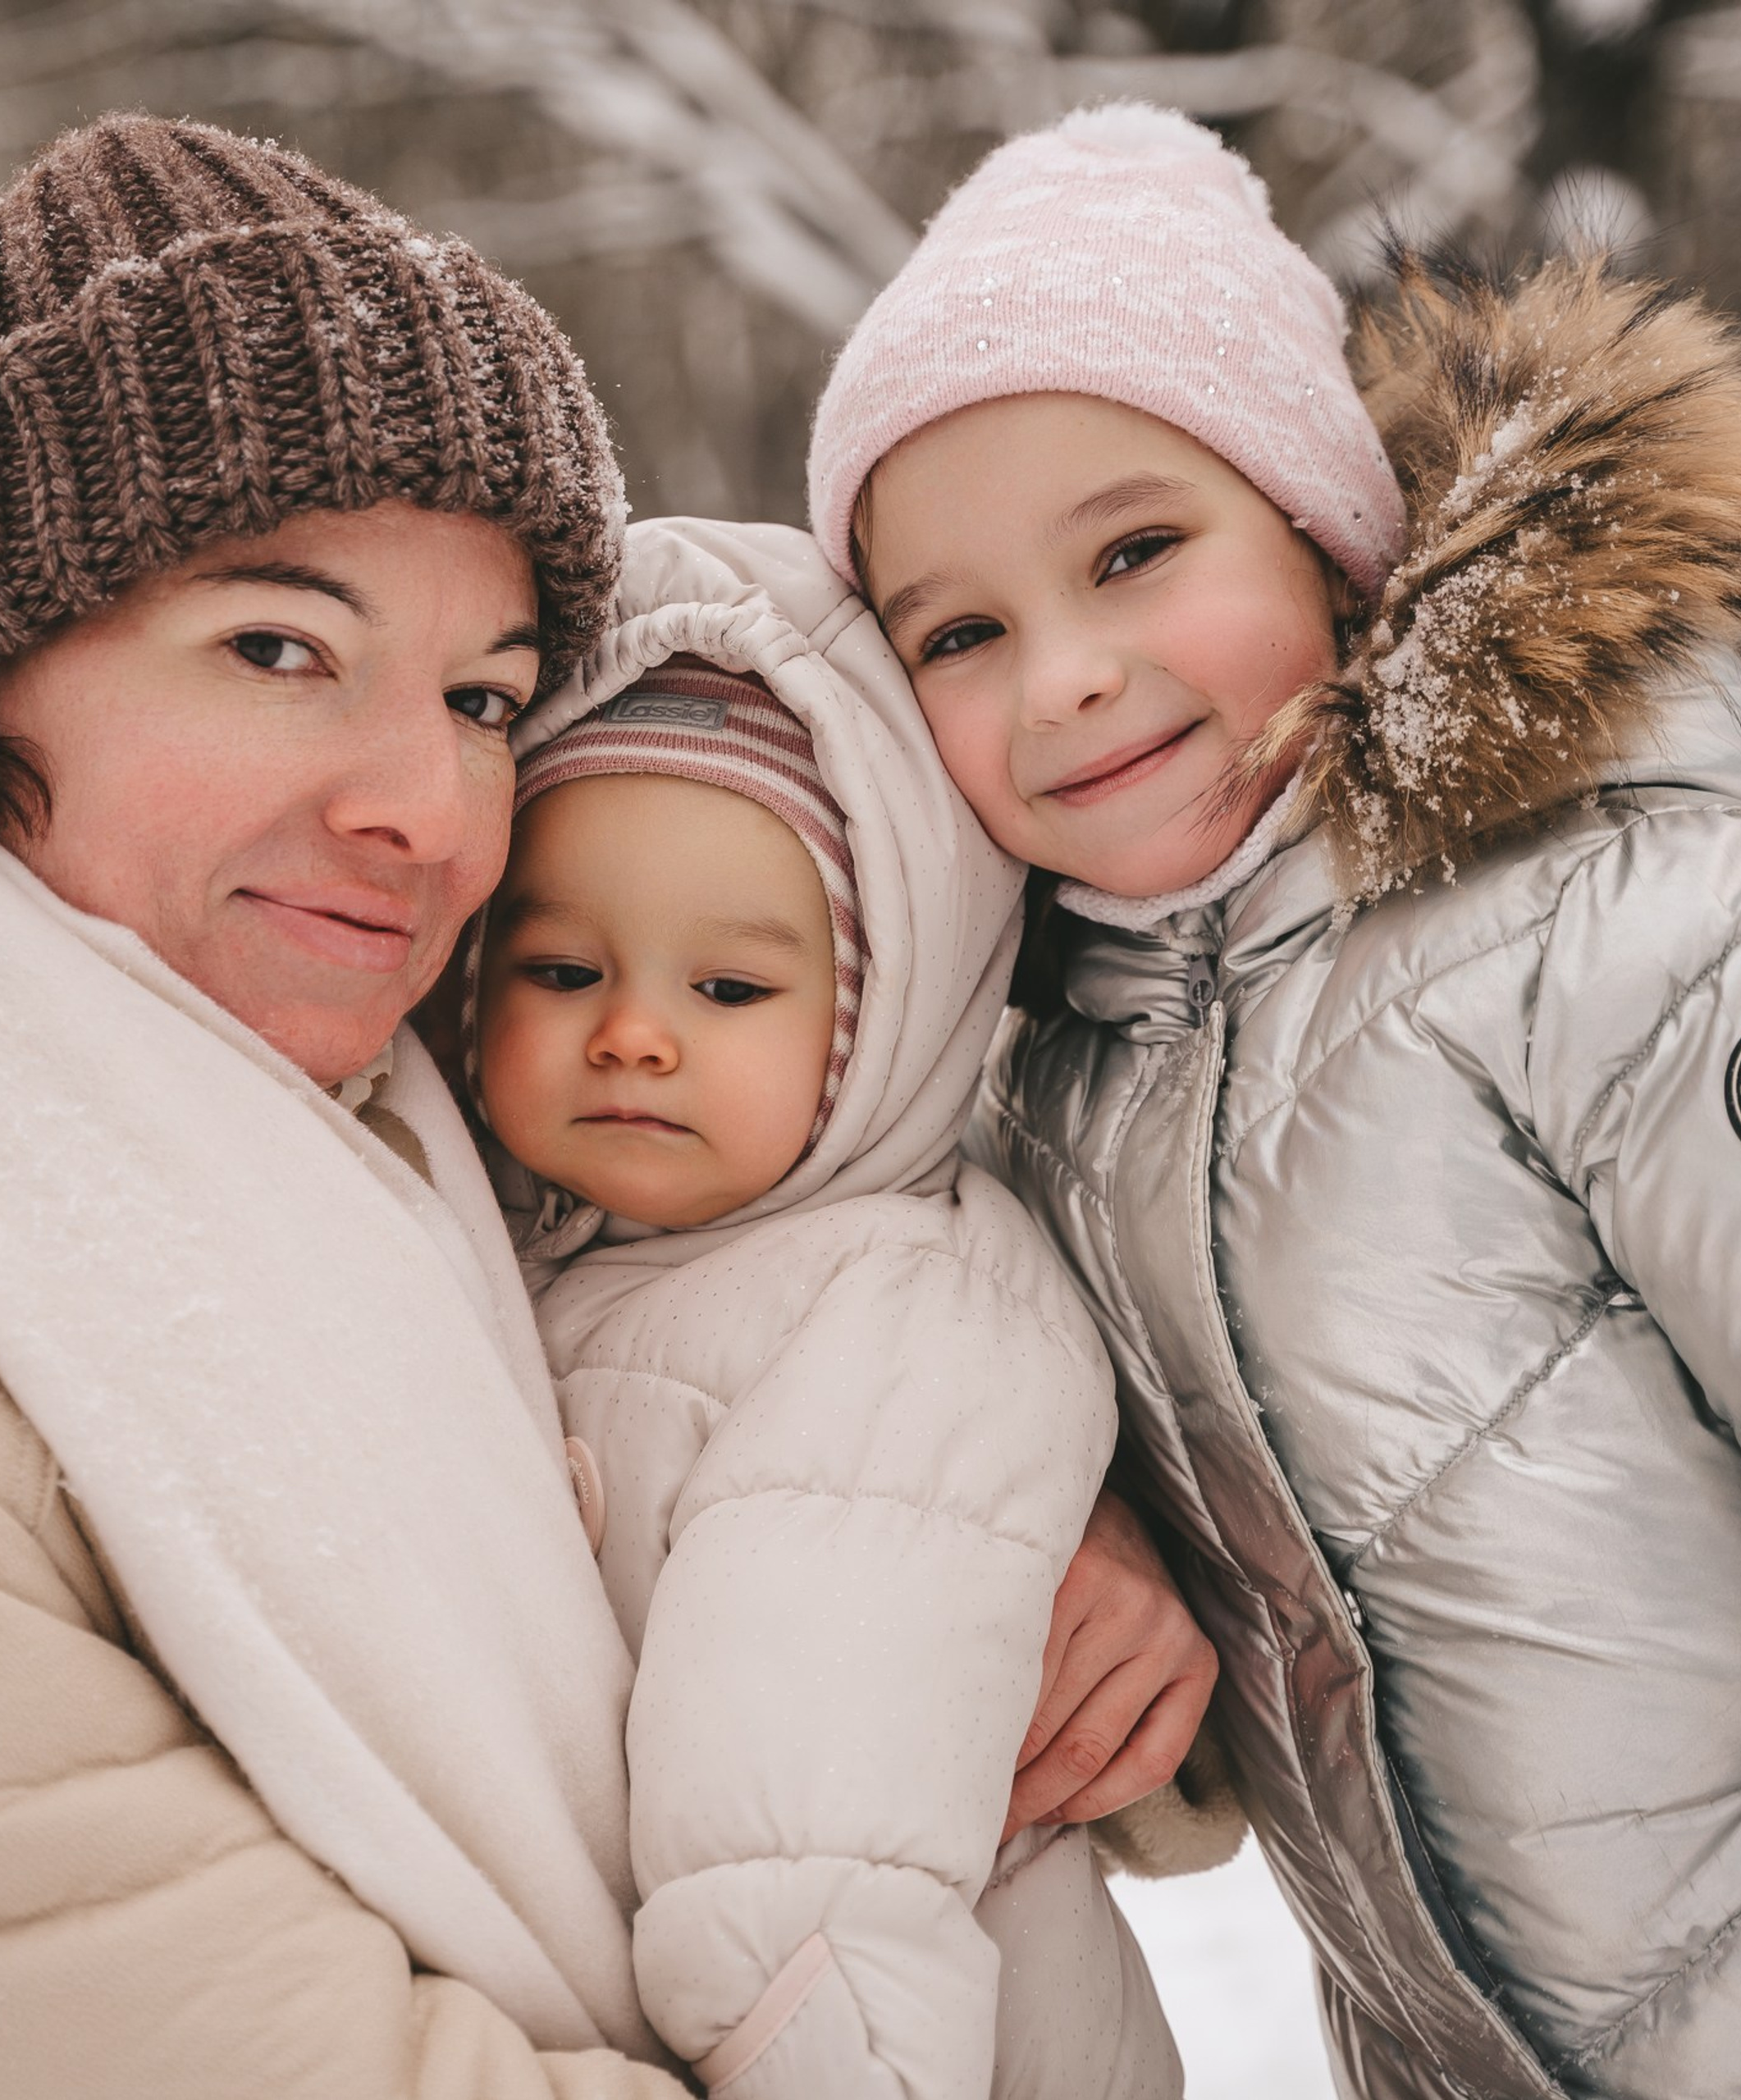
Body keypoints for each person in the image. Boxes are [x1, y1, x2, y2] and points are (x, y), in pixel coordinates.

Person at [0, 113, 1211, 2096]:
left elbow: (729, 1320)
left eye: (484, 695)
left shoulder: (389, 1113)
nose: (426, 808)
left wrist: (1010, 1512)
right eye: (280, 645)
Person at [805, 99, 1741, 2100]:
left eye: (1134, 551)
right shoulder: (1063, 1075)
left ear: (1324, 531)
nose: (1061, 672)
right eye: (958, 632)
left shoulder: (1607, 914)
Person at [469, 518, 1241, 2098]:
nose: (631, 1036)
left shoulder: (902, 1320)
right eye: (558, 970)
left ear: (883, 1017)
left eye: (730, 989)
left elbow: (811, 1864)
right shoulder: (529, 1255)